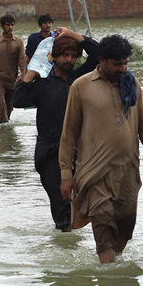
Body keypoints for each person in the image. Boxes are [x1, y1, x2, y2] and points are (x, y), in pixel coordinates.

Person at [58, 34, 143, 264]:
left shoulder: (132, 83)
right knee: (104, 235)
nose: (123, 68)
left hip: (128, 172)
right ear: (102, 60)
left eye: (125, 63)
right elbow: (68, 135)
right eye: (117, 64)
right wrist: (66, 174)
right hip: (94, 175)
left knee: (124, 233)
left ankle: (116, 281)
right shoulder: (81, 87)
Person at [12, 27, 99, 232]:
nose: (68, 60)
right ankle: (65, 248)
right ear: (54, 57)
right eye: (64, 55)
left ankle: (70, 243)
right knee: (62, 206)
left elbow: (99, 53)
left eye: (72, 56)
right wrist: (30, 72)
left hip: (79, 151)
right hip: (50, 152)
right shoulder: (42, 84)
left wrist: (74, 35)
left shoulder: (79, 80)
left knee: (81, 205)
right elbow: (18, 101)